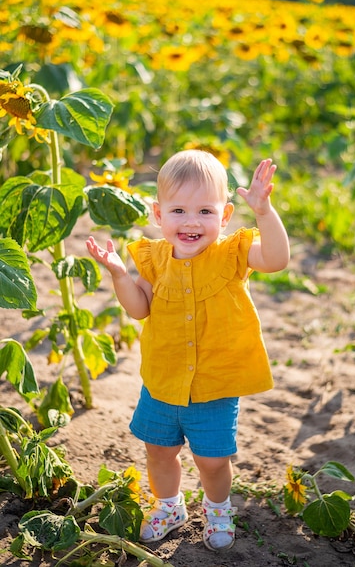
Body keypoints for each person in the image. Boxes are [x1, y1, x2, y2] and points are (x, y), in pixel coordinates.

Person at [86, 150, 290, 552]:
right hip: (163, 382)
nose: (192, 221)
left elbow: (277, 259)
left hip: (214, 384)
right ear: (159, 214)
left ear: (225, 215)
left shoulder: (233, 253)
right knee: (159, 453)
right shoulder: (153, 258)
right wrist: (119, 275)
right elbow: (138, 308)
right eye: (179, 210)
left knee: (213, 461)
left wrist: (265, 212)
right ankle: (170, 506)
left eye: (205, 211)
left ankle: (217, 508)